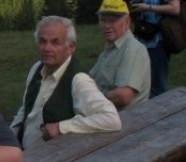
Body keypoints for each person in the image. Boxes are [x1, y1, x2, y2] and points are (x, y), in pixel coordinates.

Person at [11, 16, 120, 150]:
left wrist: (62, 127)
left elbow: (111, 119)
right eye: (42, 41)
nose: (47, 48)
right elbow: (26, 108)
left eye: (55, 42)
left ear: (71, 47)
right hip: (23, 152)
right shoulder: (37, 68)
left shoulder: (79, 79)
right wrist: (9, 136)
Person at [130, 0, 182, 98]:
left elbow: (175, 8)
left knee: (158, 83)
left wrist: (148, 8)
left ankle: (160, 115)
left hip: (159, 38)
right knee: (144, 80)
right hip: (145, 36)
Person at [89, 0, 151, 110]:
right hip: (107, 115)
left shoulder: (133, 50)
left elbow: (123, 96)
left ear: (127, 22)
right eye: (103, 20)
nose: (107, 26)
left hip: (126, 120)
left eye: (112, 21)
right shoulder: (111, 48)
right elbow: (90, 80)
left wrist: (90, 102)